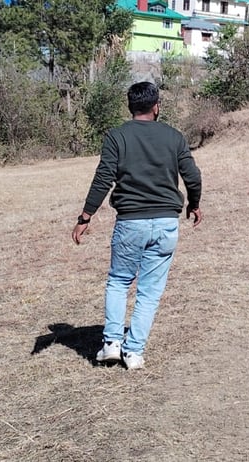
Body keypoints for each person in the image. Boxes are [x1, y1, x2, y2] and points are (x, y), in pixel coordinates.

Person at [72, 81, 203, 370]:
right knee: (149, 291)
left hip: (130, 222)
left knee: (119, 281)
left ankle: (112, 343)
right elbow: (192, 176)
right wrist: (193, 204)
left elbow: (103, 178)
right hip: (167, 223)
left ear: (130, 106)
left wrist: (85, 217)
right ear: (156, 107)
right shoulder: (174, 136)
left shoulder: (117, 136)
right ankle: (134, 352)